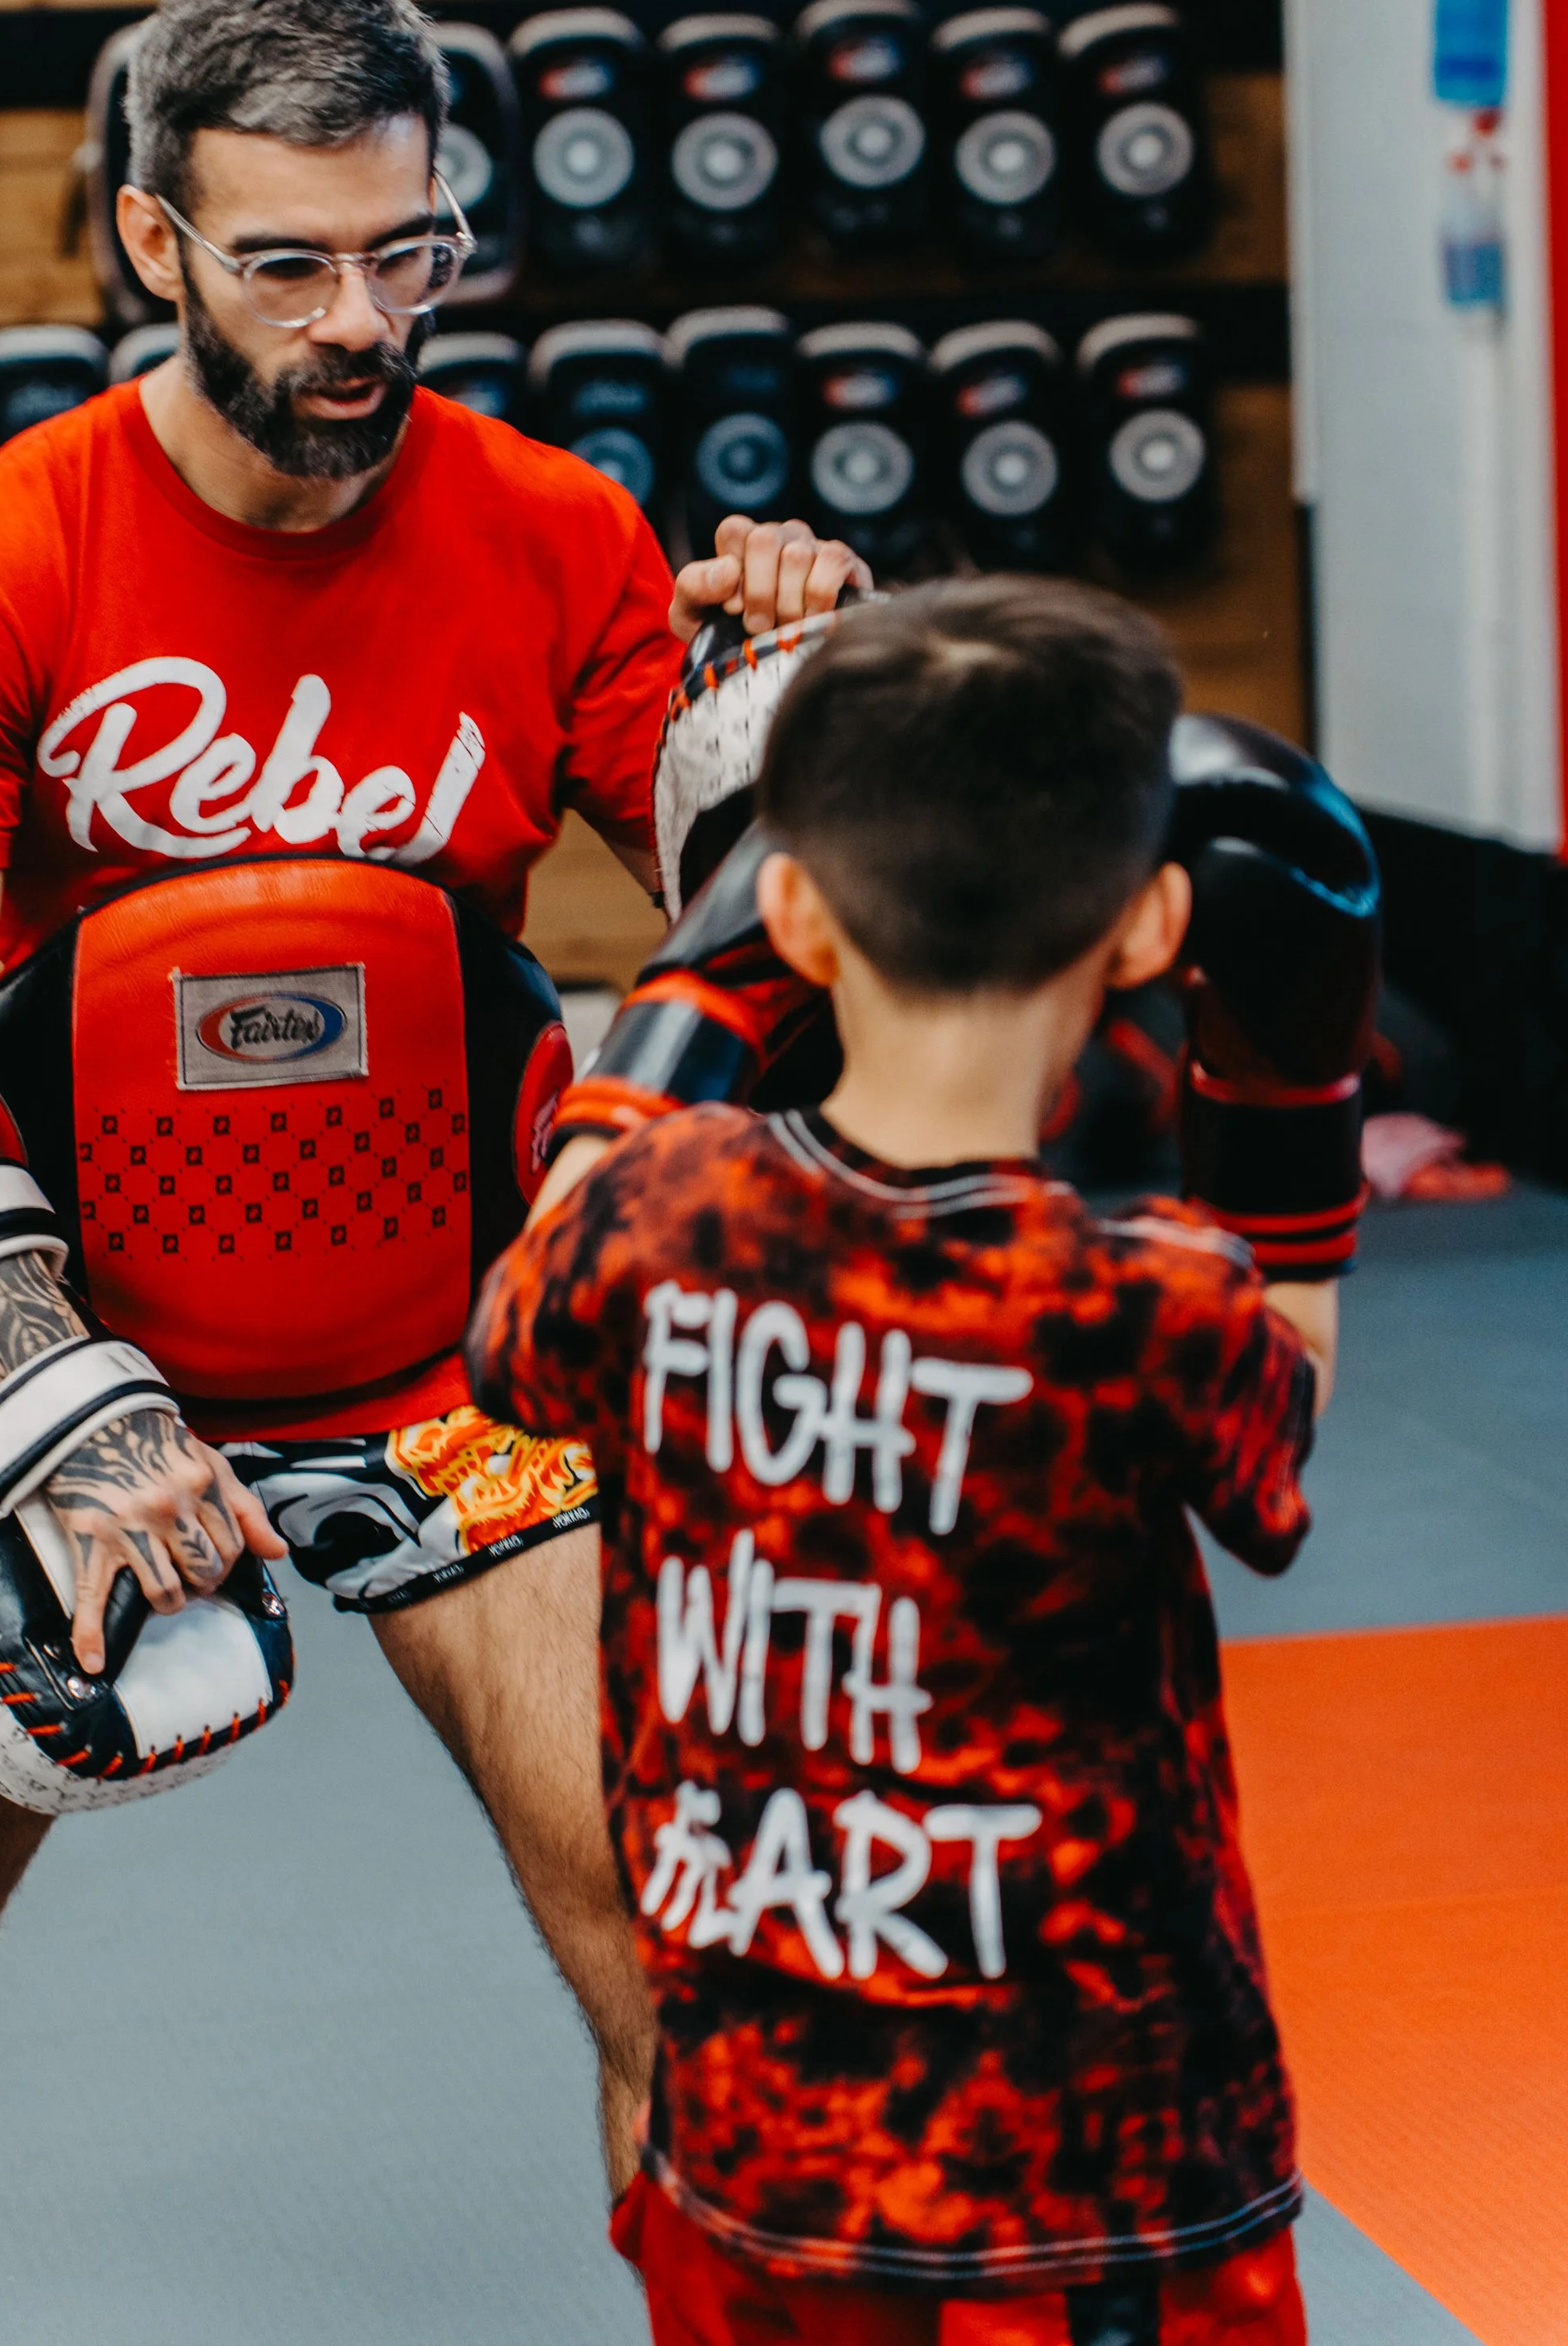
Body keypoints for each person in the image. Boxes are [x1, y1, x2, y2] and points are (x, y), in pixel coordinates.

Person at [0, 0, 868, 2346]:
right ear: (154, 244)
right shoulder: (6, 554)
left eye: (408, 250)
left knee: (683, 1971)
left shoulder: (556, 532)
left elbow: (786, 951)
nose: (360, 318)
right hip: (89, 1357)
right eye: (288, 261)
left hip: (457, 1361)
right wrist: (75, 1403)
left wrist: (809, 710)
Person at [476, 581, 1351, 2346]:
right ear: (1147, 925)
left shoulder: (644, 1230)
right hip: (1106, 2199)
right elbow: (1282, 1420)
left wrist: (699, 972)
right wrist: (1290, 1098)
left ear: (790, 912)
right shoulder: (1138, 1305)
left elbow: (520, 1306)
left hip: (756, 2162)